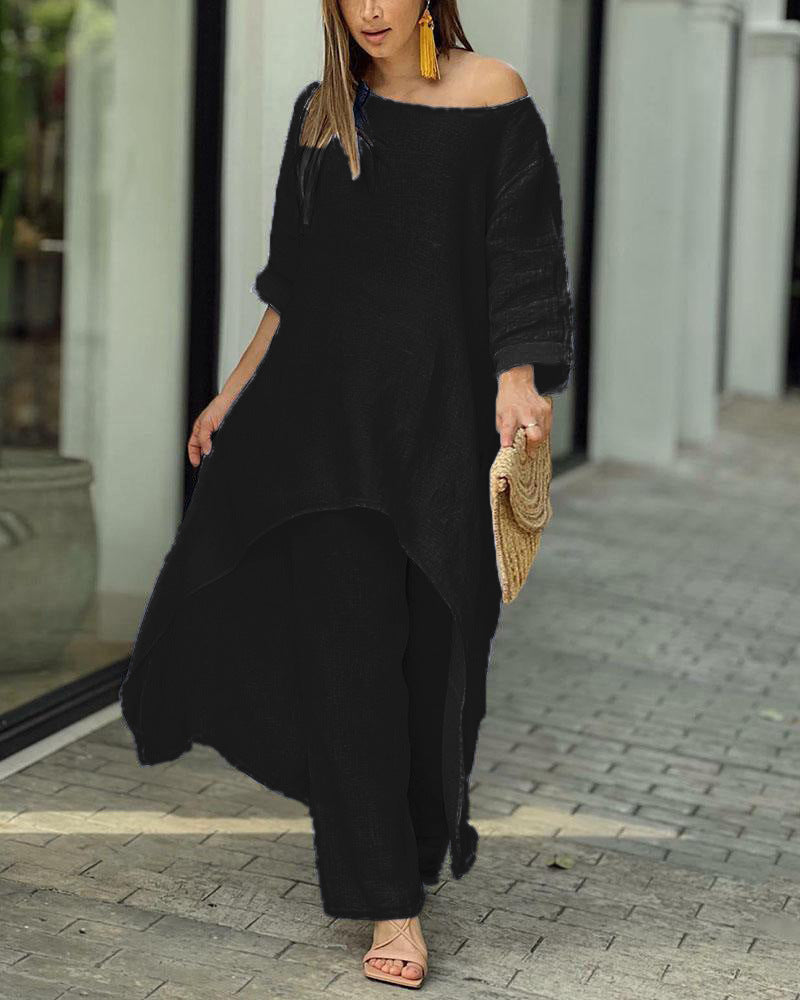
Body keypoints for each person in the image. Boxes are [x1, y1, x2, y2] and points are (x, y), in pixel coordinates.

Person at [119, 0, 575, 989]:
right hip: (320, 433)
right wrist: (233, 394)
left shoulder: (491, 94)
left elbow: (523, 249)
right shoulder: (321, 113)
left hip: (442, 429)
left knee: (438, 656)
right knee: (348, 661)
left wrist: (517, 374)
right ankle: (389, 902)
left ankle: (410, 841)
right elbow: (294, 287)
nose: (369, 9)